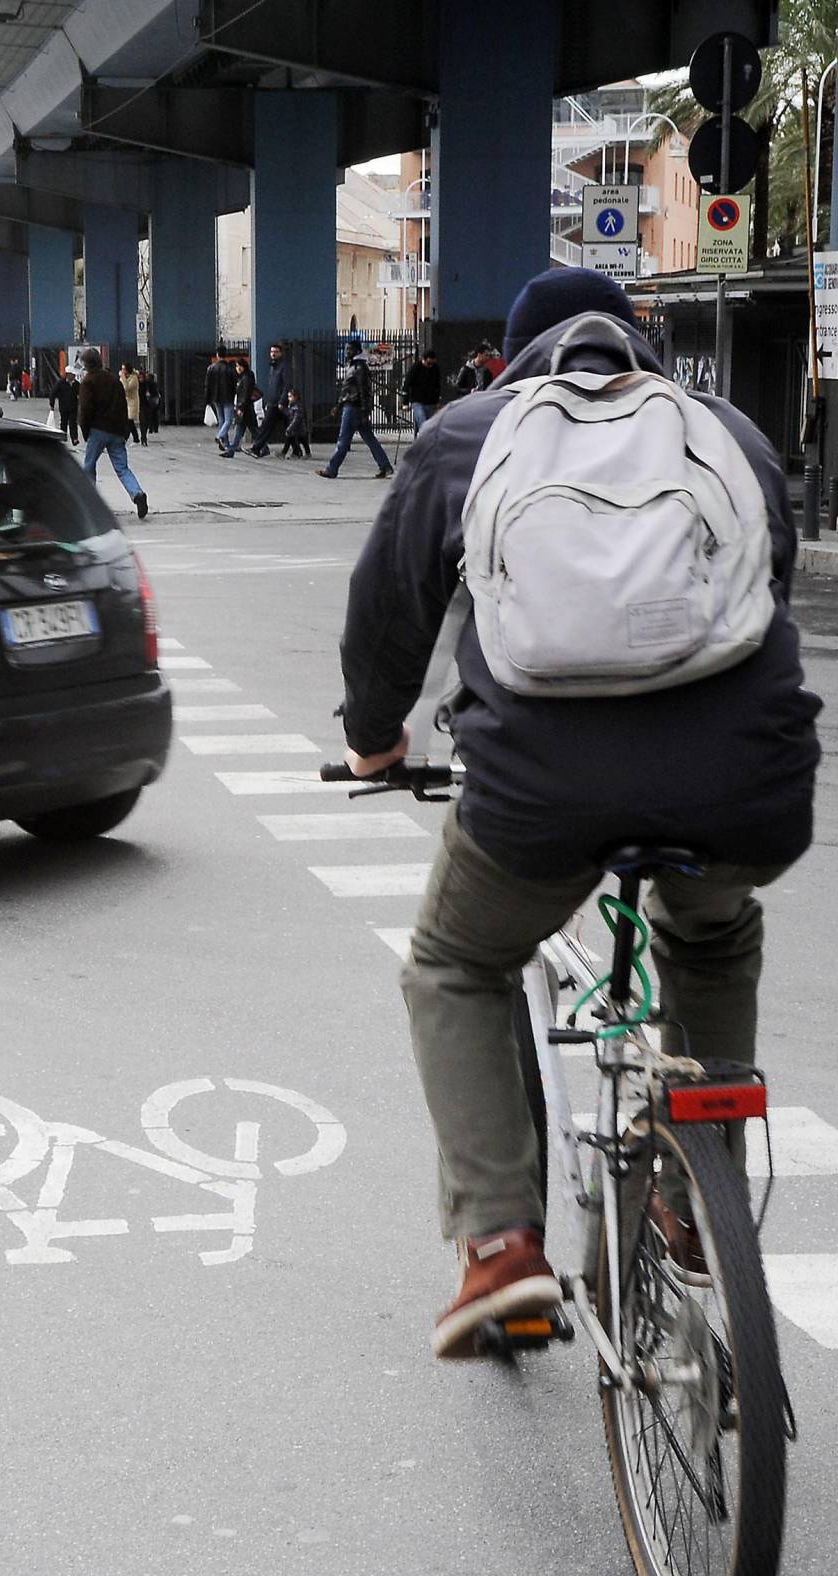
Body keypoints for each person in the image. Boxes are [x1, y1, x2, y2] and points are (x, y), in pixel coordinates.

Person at [336, 266, 822, 1359]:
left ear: (513, 361)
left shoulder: (471, 431)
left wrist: (376, 735)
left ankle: (500, 1244)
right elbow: (768, 585)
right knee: (712, 928)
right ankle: (698, 1209)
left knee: (455, 962)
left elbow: (390, 608)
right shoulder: (726, 429)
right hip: (743, 779)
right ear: (640, 346)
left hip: (540, 789)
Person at [78, 347, 148, 520]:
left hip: (97, 430)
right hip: (116, 430)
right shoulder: (114, 380)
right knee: (122, 468)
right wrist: (124, 430)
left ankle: (90, 502)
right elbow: (123, 406)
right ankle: (137, 493)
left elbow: (85, 409)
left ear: (86, 365)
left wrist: (85, 430)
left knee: (89, 465)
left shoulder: (88, 382)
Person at [318, 338, 392, 480]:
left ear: (357, 351)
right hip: (352, 406)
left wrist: (364, 411)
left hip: (353, 408)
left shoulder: (359, 368)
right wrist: (338, 406)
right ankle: (385, 466)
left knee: (343, 440)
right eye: (346, 349)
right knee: (370, 439)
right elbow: (346, 390)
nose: (347, 352)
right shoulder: (352, 366)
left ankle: (331, 469)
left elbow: (364, 391)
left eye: (349, 349)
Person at [246, 342, 292, 457]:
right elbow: (272, 386)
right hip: (273, 402)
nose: (273, 354)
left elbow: (287, 385)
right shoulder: (273, 367)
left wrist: (282, 401)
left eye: (275, 352)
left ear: (281, 353)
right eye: (271, 352)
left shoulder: (284, 367)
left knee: (266, 426)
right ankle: (297, 450)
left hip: (278, 403)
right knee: (289, 427)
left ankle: (256, 448)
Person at [219, 357, 260, 457]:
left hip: (245, 408)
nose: (238, 368)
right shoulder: (243, 377)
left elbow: (245, 394)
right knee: (241, 430)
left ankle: (231, 450)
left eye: (240, 366)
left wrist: (240, 408)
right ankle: (231, 450)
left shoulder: (246, 378)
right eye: (237, 366)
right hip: (244, 408)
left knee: (252, 430)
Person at [401, 349, 442, 434]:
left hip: (430, 401)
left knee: (426, 423)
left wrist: (438, 400)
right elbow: (407, 384)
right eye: (428, 363)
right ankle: (425, 442)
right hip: (417, 400)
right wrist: (405, 402)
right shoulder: (415, 368)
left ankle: (419, 441)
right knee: (423, 423)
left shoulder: (435, 368)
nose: (430, 365)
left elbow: (437, 385)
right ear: (423, 360)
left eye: (432, 363)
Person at [204, 348, 236, 448]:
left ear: (217, 355)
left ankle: (225, 443)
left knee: (222, 420)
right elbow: (234, 384)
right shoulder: (230, 368)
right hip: (228, 397)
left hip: (216, 397)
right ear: (225, 355)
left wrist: (207, 400)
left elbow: (207, 385)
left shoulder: (211, 368)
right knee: (228, 420)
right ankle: (220, 436)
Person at [278, 389, 310, 459]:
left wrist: (289, 428)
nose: (288, 398)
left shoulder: (297, 407)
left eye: (290, 396)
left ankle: (286, 453)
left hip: (299, 429)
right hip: (296, 429)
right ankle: (293, 453)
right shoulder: (292, 406)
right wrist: (283, 409)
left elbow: (296, 419)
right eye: (288, 396)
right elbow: (289, 413)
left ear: (295, 397)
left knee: (300, 440)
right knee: (294, 440)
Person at [50, 371, 80, 444]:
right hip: (63, 406)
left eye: (74, 375)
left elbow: (81, 394)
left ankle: (74, 438)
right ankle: (63, 436)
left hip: (73, 406)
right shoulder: (60, 383)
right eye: (72, 375)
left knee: (73, 422)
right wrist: (52, 404)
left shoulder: (76, 384)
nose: (73, 376)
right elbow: (53, 393)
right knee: (64, 422)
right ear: (67, 375)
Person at [120, 362, 141, 444]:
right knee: (129, 421)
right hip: (126, 401)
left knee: (129, 420)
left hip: (133, 402)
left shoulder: (134, 378)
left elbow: (127, 388)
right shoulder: (123, 378)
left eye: (123, 369)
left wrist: (123, 378)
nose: (122, 371)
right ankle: (135, 438)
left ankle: (126, 437)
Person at [138, 368, 160, 443]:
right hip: (140, 404)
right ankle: (143, 437)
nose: (141, 379)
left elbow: (154, 392)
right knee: (142, 421)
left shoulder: (148, 384)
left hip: (148, 404)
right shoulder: (137, 385)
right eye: (139, 378)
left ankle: (146, 434)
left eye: (142, 377)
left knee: (147, 421)